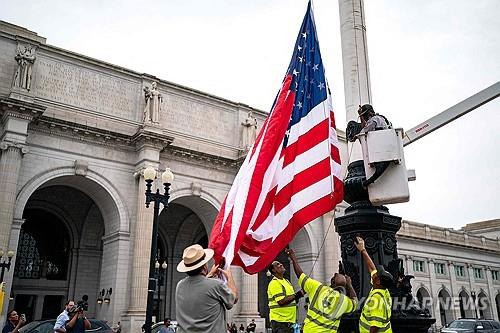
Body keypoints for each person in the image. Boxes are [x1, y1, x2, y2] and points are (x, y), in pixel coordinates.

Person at [286, 249, 358, 333]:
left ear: (332, 282)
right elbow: (355, 302)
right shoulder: (343, 301)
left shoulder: (318, 288)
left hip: (310, 330)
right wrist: (349, 284)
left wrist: (293, 258)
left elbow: (300, 275)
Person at [175, 244, 238, 333]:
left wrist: (208, 276)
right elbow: (233, 299)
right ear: (204, 266)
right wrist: (229, 276)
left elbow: (199, 289)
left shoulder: (180, 286)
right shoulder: (215, 285)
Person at [355, 236, 394, 333]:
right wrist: (363, 250)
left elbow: (375, 327)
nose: (375, 273)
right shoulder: (383, 290)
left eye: (377, 274)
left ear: (378, 281)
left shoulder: (377, 299)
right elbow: (371, 268)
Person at [357, 104, 393, 187]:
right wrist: (361, 116)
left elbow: (364, 131)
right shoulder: (381, 118)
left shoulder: (375, 119)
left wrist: (357, 136)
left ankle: (368, 182)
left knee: (378, 170)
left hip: (380, 148)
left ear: (369, 113)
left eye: (365, 115)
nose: (365, 118)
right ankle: (368, 182)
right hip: (384, 147)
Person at [267, 259, 304, 333]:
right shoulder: (274, 283)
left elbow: (292, 299)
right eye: (277, 264)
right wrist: (298, 294)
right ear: (273, 270)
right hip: (280, 322)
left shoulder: (287, 281)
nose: (281, 265)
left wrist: (299, 295)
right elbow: (281, 301)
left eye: (280, 263)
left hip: (289, 322)